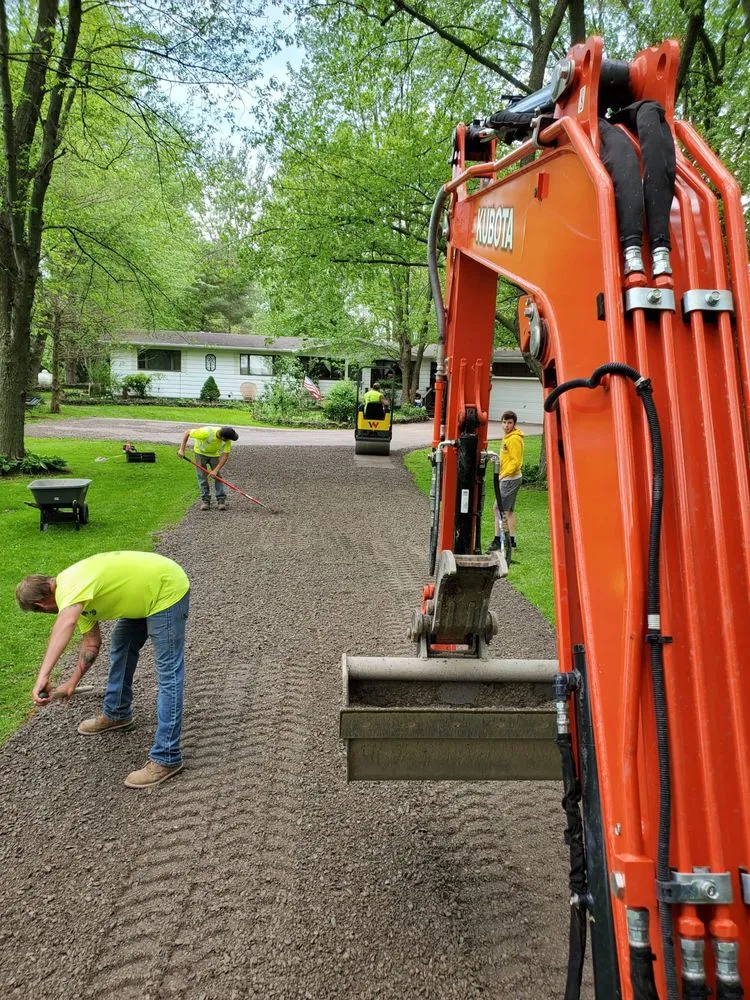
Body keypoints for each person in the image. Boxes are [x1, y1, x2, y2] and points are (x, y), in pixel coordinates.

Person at [16, 551, 190, 789]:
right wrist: (71, 682)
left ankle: (167, 757)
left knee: (168, 673)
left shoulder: (71, 586)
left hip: (166, 589)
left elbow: (64, 624)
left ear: (40, 605)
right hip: (146, 594)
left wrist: (43, 675)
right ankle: (117, 713)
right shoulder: (76, 598)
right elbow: (91, 644)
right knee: (121, 645)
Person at [488, 410, 525, 556]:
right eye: (504, 422)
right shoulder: (508, 437)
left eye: (509, 423)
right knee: (508, 511)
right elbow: (508, 458)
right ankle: (511, 540)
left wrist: (503, 474)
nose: (506, 425)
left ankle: (499, 540)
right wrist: (497, 462)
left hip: (510, 479)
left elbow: (516, 462)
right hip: (512, 477)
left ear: (514, 424)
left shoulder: (514, 439)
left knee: (498, 509)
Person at [178, 425, 239, 511]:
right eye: (228, 439)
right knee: (202, 477)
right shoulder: (205, 433)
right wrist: (182, 449)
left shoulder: (227, 439)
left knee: (218, 477)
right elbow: (187, 432)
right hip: (200, 453)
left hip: (214, 454)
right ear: (222, 437)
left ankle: (221, 500)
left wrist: (215, 470)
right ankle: (205, 501)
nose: (229, 441)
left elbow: (225, 456)